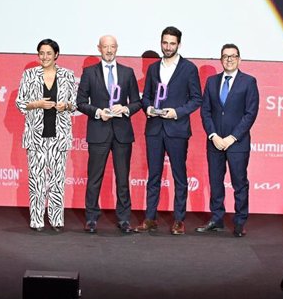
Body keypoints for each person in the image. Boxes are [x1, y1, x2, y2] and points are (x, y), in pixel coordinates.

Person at [135, 26, 202, 235]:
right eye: (165, 43)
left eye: (172, 43)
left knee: (179, 175)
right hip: (154, 128)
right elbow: (145, 97)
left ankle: (179, 220)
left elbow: (196, 99)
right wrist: (148, 109)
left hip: (177, 128)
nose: (168, 47)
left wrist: (177, 112)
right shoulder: (154, 69)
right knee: (153, 175)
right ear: (161, 42)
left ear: (179, 44)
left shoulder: (189, 68)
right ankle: (150, 218)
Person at [76, 34, 142, 234]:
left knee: (123, 179)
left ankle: (124, 219)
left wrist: (126, 108)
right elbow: (80, 102)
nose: (109, 50)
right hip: (98, 131)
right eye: (106, 47)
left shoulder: (127, 72)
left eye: (112, 46)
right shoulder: (89, 73)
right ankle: (91, 218)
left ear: (117, 48)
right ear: (99, 48)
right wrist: (97, 112)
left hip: (122, 132)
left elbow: (138, 102)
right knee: (94, 177)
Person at [197, 43, 259, 237]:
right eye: (225, 56)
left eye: (233, 56)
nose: (229, 59)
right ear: (221, 59)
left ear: (239, 59)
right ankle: (217, 219)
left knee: (239, 183)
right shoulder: (212, 81)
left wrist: (232, 137)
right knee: (215, 182)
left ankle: (240, 221)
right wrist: (213, 135)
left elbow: (250, 114)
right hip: (214, 142)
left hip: (237, 144)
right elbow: (205, 111)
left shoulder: (248, 82)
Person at [15, 38, 77, 232]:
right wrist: (37, 104)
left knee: (58, 179)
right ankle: (37, 219)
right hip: (36, 136)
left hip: (59, 136)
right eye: (41, 53)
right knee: (37, 179)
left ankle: (57, 219)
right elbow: (20, 103)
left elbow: (75, 105)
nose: (44, 57)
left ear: (56, 55)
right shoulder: (29, 75)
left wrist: (65, 106)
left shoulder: (68, 75)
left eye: (49, 53)